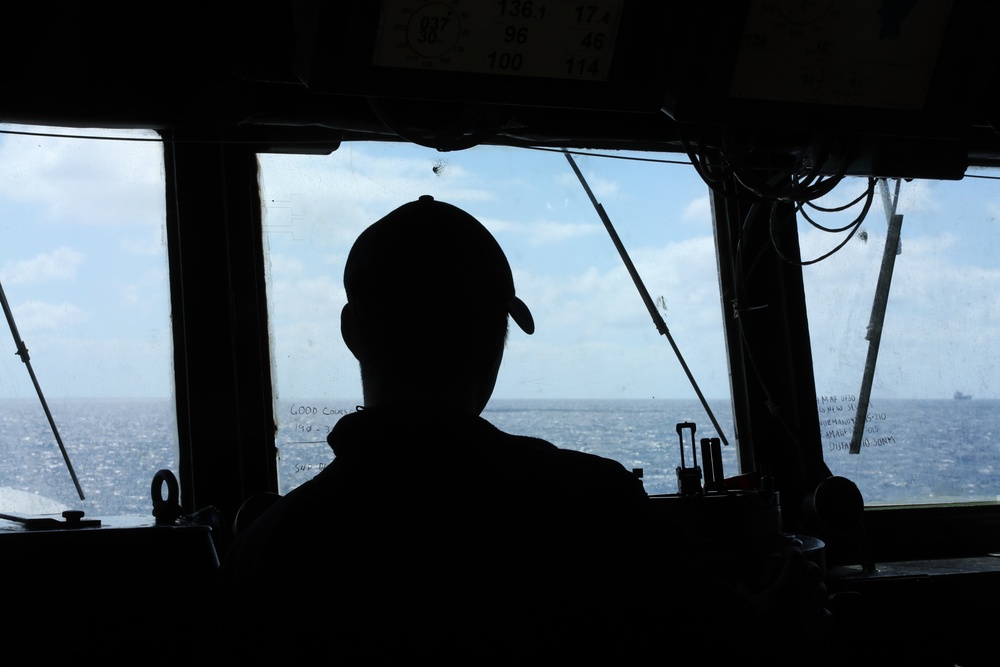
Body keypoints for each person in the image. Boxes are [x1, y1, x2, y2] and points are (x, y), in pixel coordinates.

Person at [217, 195, 827, 662]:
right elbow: (730, 657)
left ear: (354, 333)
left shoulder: (271, 549)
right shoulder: (593, 508)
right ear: (495, 340)